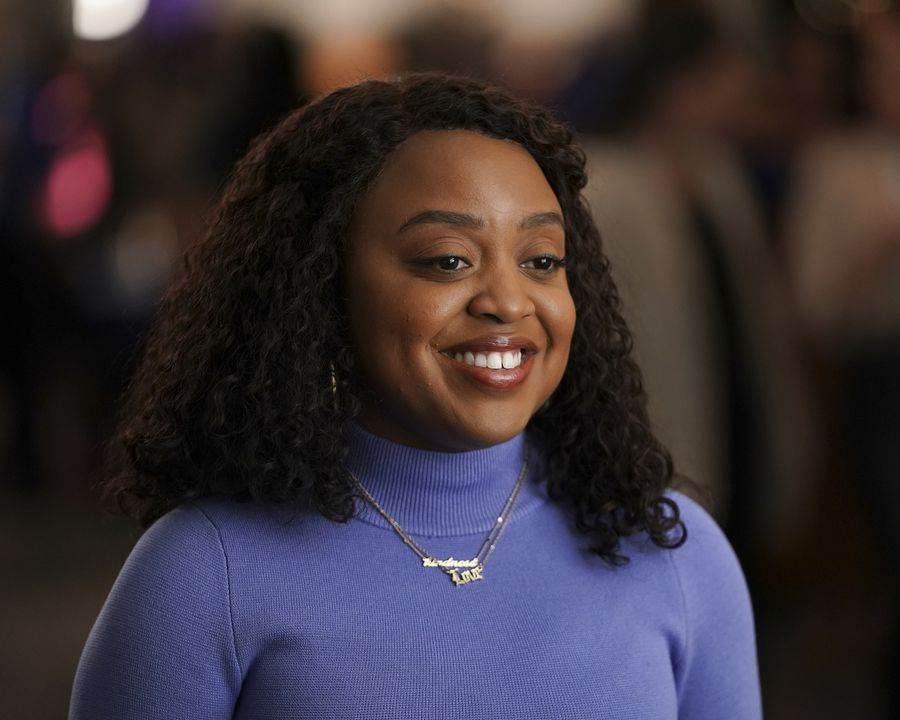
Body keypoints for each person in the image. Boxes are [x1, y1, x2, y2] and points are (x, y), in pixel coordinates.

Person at [69, 71, 762, 719]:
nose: (507, 301)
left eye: (542, 260)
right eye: (448, 260)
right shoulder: (202, 573)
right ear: (321, 287)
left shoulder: (674, 553)